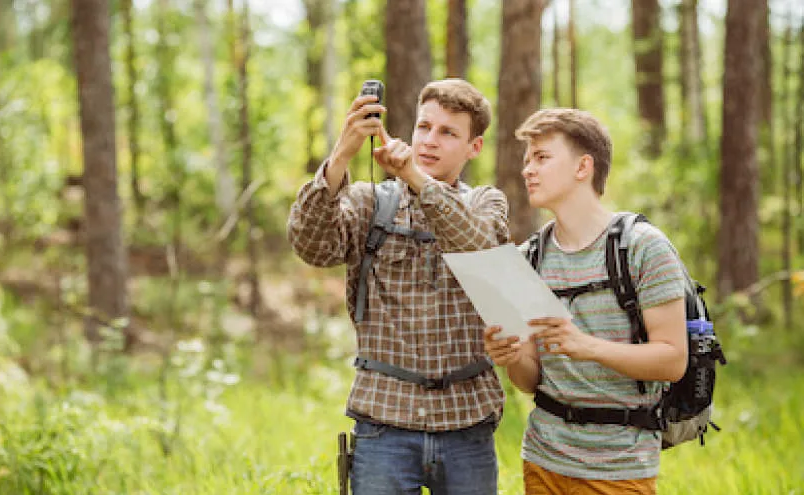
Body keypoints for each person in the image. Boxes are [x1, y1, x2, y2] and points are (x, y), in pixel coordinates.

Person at [287, 79, 509, 495]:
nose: (430, 141)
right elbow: (311, 247)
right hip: (384, 423)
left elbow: (482, 249)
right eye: (424, 127)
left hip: (467, 424)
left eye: (448, 132)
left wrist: (414, 177)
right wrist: (341, 155)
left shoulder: (486, 203)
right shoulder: (372, 202)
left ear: (473, 147)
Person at [483, 108, 687, 494]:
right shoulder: (528, 257)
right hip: (543, 460)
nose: (528, 169)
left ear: (583, 167)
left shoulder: (644, 248)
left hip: (621, 468)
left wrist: (586, 346)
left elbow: (673, 360)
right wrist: (511, 355)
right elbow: (529, 381)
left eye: (542, 157)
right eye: (527, 160)